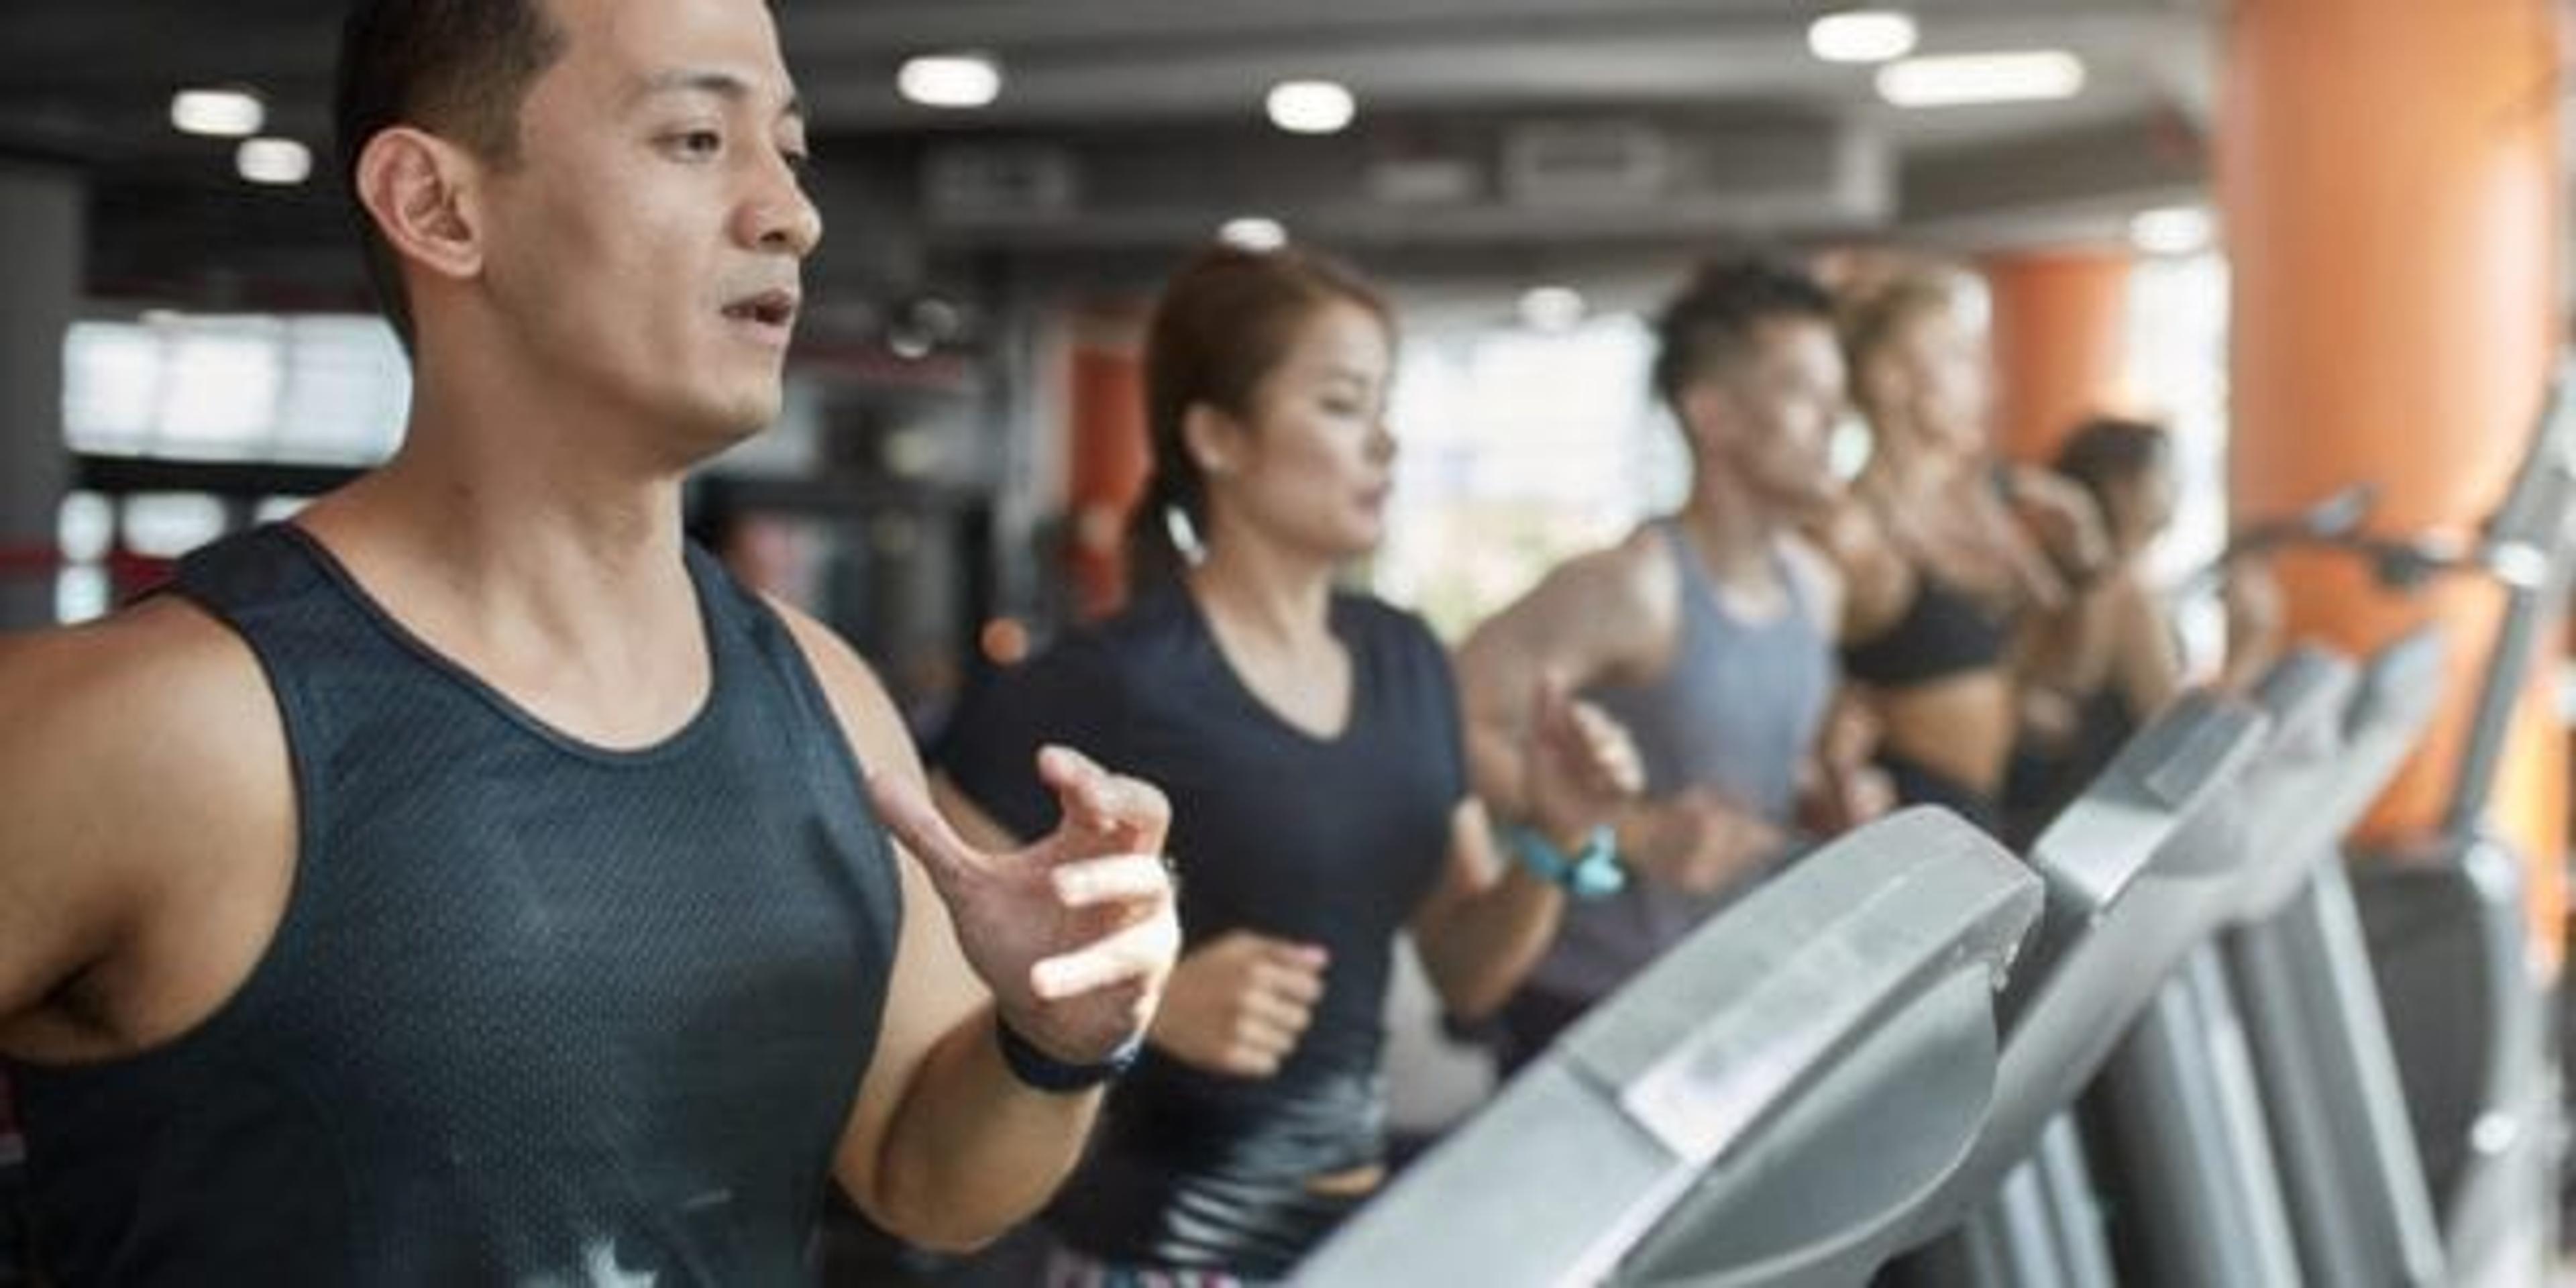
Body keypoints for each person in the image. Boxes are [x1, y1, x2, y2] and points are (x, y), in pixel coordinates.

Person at [0, 0, 1179, 1283]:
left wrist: (1056, 1040)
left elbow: (922, 1179)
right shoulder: (161, 720)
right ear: (438, 207)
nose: (792, 211)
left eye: (788, 148)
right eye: (693, 137)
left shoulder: (824, 698)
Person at [933, 244, 1640, 1283]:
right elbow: (925, 926)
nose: (1387, 443)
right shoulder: (1112, 680)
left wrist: (1560, 839)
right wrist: (1143, 1003)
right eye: (1345, 405)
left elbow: (1463, 975)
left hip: (1358, 1233)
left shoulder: (1404, 656)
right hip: (1161, 1244)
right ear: (1218, 436)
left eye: (1386, 404)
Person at [1817, 272, 2106, 833]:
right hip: (1920, 823)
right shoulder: (1851, 532)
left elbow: (2058, 678)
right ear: (1888, 379)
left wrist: (2080, 554)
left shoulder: (1983, 505)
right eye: (1957, 358)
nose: (1987, 383)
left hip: (2003, 807)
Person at [2005, 415, 2282, 839]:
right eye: (2166, 474)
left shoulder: (2108, 584)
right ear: (2121, 487)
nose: (2179, 489)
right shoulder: (2125, 592)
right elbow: (2179, 745)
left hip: (2083, 811)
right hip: (2088, 822)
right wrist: (2249, 648)